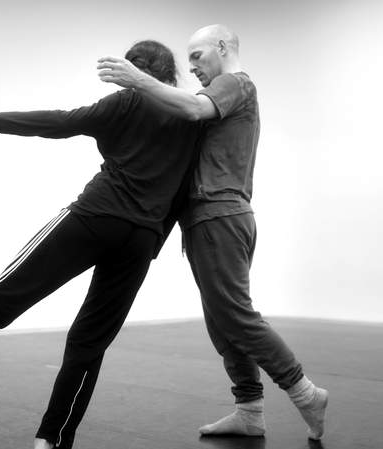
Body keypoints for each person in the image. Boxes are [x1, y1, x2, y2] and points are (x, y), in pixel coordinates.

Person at [0, 40, 201, 449]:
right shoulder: (193, 118)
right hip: (140, 238)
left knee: (6, 292)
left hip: (93, 218)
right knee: (89, 343)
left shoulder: (128, 103)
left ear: (136, 73)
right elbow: (183, 191)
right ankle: (53, 440)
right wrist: (155, 242)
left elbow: (59, 123)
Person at [97, 24, 329, 441]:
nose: (193, 68)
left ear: (222, 47)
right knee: (222, 323)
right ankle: (249, 410)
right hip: (209, 219)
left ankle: (304, 391)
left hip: (219, 215)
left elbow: (191, 108)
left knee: (235, 316)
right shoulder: (222, 95)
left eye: (198, 57)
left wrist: (137, 79)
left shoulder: (235, 84)